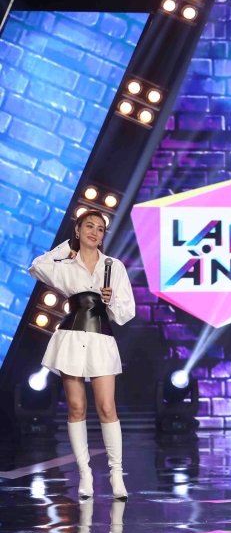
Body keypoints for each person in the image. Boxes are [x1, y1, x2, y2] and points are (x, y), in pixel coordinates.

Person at [28, 209, 135, 500]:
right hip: (71, 338)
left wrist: (111, 302)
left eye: (100, 229)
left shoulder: (113, 266)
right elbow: (37, 267)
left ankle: (116, 474)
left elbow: (126, 312)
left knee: (107, 407)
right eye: (89, 226)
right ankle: (84, 473)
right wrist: (67, 248)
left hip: (101, 339)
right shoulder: (66, 266)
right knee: (76, 407)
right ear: (78, 229)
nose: (94, 232)